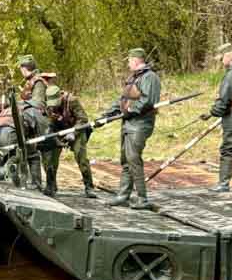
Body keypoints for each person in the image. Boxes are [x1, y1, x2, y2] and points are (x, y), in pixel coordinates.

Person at [102, 48, 161, 210]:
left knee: (134, 159)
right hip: (128, 123)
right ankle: (123, 195)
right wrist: (107, 113)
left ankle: (142, 198)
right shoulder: (132, 78)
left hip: (140, 125)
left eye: (129, 60)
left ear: (136, 60)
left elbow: (148, 101)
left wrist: (129, 111)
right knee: (125, 160)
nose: (128, 63)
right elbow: (123, 99)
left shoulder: (150, 77)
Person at [199, 43, 232, 192]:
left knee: (227, 150)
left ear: (228, 56)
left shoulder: (231, 75)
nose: (220, 61)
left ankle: (223, 184)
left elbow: (224, 100)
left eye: (221, 58)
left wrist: (211, 113)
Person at [42, 84, 97, 198]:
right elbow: (49, 121)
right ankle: (51, 186)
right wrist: (50, 133)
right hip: (58, 130)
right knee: (50, 158)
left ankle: (89, 187)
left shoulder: (71, 100)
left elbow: (83, 119)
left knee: (81, 157)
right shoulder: (48, 105)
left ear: (60, 96)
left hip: (77, 130)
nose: (54, 106)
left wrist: (73, 133)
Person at [0, 99, 50, 190]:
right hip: (11, 135)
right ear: (40, 108)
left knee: (4, 159)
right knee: (33, 155)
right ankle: (36, 185)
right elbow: (44, 132)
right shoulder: (34, 110)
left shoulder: (10, 108)